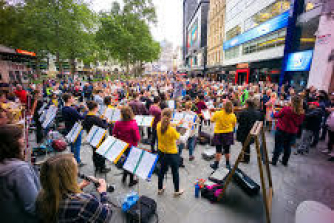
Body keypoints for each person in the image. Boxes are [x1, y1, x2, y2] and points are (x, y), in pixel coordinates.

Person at [36, 154, 112, 223]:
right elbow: (105, 217)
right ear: (68, 177)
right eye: (76, 169)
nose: (78, 173)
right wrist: (103, 193)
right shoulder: (85, 201)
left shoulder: (41, 197)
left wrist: (80, 185)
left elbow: (62, 193)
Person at [0, 125, 41, 223]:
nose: (23, 140)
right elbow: (33, 205)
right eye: (20, 137)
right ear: (12, 143)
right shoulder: (20, 169)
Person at [157, 108, 184, 196]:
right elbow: (182, 139)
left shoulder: (158, 125)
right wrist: (190, 130)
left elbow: (167, 124)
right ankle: (176, 191)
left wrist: (177, 123)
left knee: (161, 171)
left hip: (161, 151)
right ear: (170, 117)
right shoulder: (171, 130)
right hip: (172, 153)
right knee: (175, 172)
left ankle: (160, 189)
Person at [271, 95, 305, 166]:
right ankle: (284, 161)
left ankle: (274, 161)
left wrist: (274, 111)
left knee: (278, 146)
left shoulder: (286, 109)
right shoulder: (301, 112)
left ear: (292, 102)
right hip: (292, 132)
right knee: (287, 147)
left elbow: (276, 115)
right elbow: (299, 123)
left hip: (282, 130)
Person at [112, 106, 140, 187]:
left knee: (124, 160)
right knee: (131, 163)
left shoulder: (117, 123)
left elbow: (114, 134)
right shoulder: (133, 123)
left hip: (121, 145)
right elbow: (137, 138)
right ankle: (131, 180)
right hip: (131, 146)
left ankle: (124, 177)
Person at [82, 101, 110, 173]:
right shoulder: (95, 118)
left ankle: (97, 166)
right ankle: (102, 167)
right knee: (101, 152)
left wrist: (101, 119)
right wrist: (107, 121)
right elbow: (104, 127)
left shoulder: (86, 116)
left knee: (95, 152)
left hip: (91, 136)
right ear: (95, 108)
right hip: (99, 137)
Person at [210, 100, 237, 169]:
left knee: (218, 150)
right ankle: (227, 164)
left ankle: (216, 164)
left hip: (219, 133)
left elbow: (212, 120)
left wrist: (210, 113)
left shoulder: (218, 113)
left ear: (223, 107)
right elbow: (234, 125)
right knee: (227, 150)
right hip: (228, 133)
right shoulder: (233, 115)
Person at [62, 93, 85, 166]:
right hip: (75, 128)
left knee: (72, 144)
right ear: (68, 99)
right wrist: (86, 110)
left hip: (68, 127)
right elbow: (81, 117)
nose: (74, 99)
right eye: (72, 98)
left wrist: (77, 108)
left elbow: (73, 114)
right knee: (77, 145)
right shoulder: (71, 109)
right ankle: (77, 161)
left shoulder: (64, 108)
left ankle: (72, 158)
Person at [236, 99, 262, 163]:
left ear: (247, 104)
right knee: (246, 145)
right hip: (252, 131)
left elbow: (239, 121)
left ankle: (246, 159)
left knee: (245, 145)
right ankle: (245, 157)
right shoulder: (257, 112)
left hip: (244, 131)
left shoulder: (244, 112)